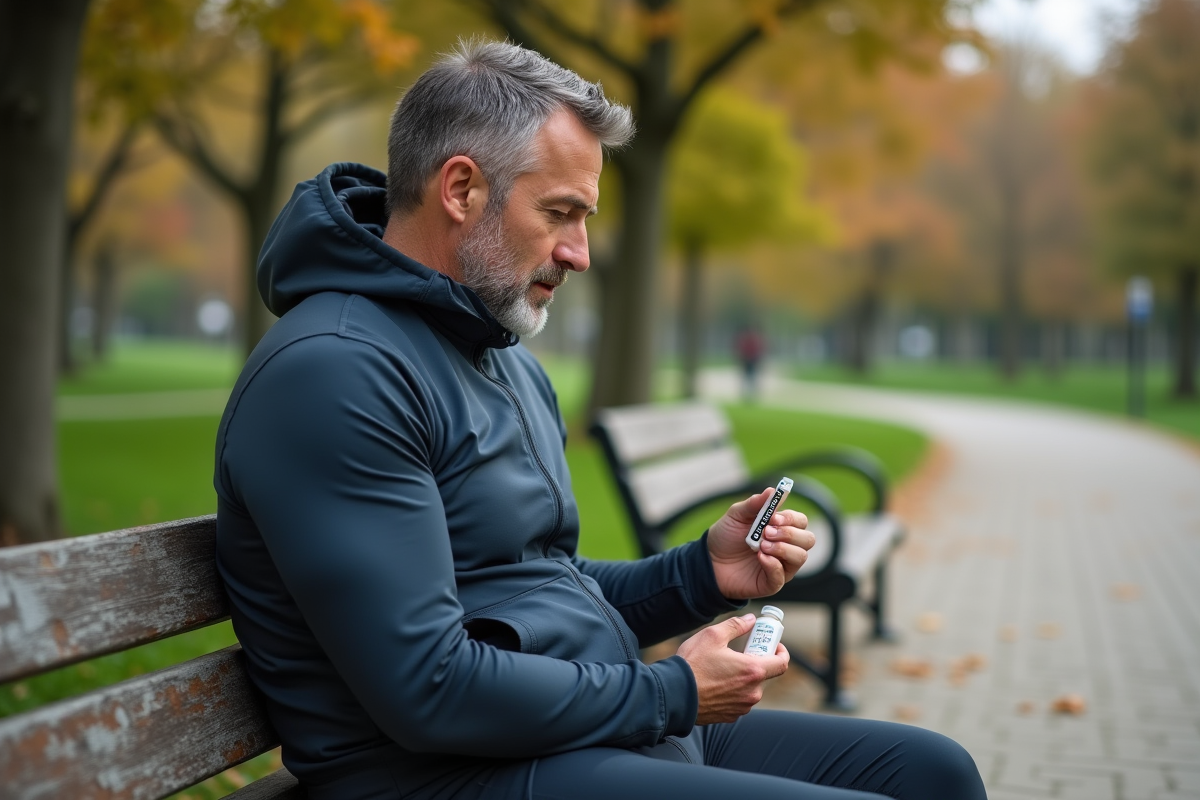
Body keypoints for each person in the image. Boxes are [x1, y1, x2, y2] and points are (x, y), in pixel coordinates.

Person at [214, 39, 987, 800]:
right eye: (560, 213)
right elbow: (430, 688)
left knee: (932, 772)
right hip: (442, 775)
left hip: (565, 734)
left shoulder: (497, 352)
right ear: (461, 190)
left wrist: (703, 574)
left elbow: (545, 582)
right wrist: (674, 693)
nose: (580, 252)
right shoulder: (336, 373)